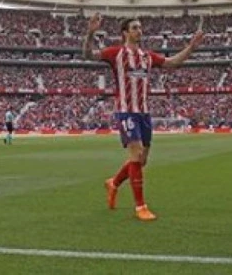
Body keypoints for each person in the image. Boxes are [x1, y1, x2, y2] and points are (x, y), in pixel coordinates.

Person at [84, 14, 204, 221]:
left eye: (140, 27)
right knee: (137, 153)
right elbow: (88, 55)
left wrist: (191, 48)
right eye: (134, 28)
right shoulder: (115, 53)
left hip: (144, 112)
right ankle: (141, 207)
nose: (139, 31)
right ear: (125, 33)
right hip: (126, 111)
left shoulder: (147, 56)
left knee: (142, 160)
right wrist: (90, 33)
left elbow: (172, 62)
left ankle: (114, 183)